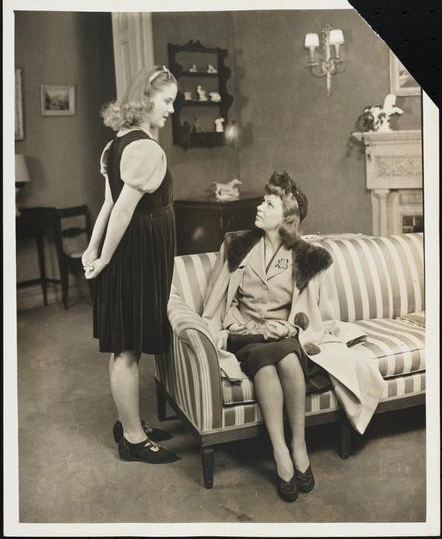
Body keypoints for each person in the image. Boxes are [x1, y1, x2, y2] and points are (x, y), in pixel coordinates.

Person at [202, 171, 385, 501]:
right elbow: (218, 299)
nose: (259, 206)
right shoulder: (237, 244)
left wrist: (290, 328)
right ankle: (280, 451)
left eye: (268, 204)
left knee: (286, 356)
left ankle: (299, 445)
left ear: (286, 219)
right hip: (247, 337)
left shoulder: (307, 257)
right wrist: (236, 325)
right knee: (265, 357)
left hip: (286, 337)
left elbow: (314, 313)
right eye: (263, 201)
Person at [82, 65, 179, 465]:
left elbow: (108, 203)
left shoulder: (115, 145)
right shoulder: (146, 149)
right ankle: (134, 440)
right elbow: (120, 210)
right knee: (127, 348)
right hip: (135, 252)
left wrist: (92, 248)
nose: (170, 109)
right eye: (167, 101)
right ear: (145, 100)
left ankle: (129, 423)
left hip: (130, 249)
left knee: (126, 344)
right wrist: (103, 256)